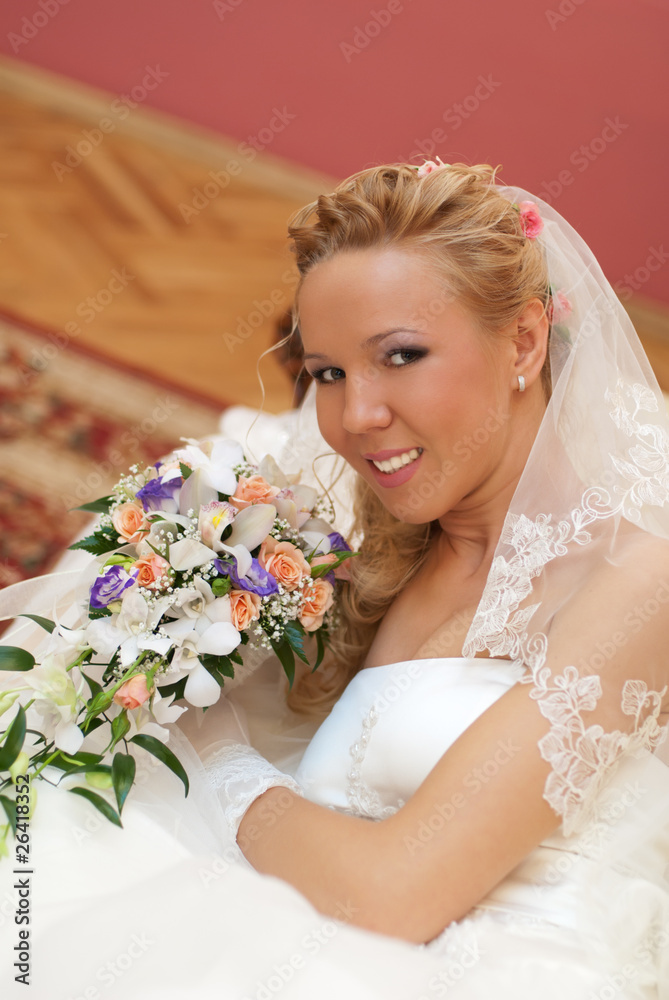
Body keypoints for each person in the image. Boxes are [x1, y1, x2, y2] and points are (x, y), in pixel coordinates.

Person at [1, 160, 668, 999]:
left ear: (524, 343)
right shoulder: (380, 545)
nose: (356, 417)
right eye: (327, 373)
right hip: (321, 922)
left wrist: (216, 759)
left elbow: (394, 893)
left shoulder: (638, 577)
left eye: (401, 356)